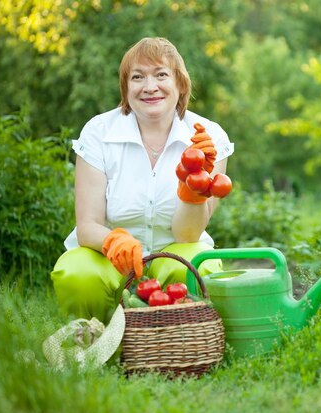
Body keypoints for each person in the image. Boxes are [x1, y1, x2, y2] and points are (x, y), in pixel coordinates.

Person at [50, 37, 234, 323]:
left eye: (161, 74)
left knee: (197, 266)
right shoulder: (99, 132)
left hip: (173, 250)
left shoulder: (207, 137)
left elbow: (188, 236)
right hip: (108, 257)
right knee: (77, 272)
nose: (150, 86)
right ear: (126, 88)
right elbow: (87, 226)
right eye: (138, 77)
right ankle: (94, 339)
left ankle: (177, 339)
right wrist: (113, 240)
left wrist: (193, 184)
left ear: (180, 84)